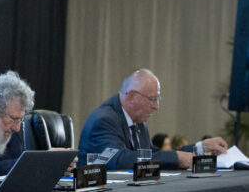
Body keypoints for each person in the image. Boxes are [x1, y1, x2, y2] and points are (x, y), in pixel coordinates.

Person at [78, 69, 228, 169]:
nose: (156, 106)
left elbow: (152, 154)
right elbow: (118, 160)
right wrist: (176, 158)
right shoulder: (104, 120)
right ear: (132, 96)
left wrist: (201, 147)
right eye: (152, 99)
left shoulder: (138, 122)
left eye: (158, 99)